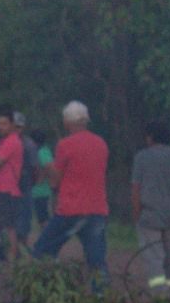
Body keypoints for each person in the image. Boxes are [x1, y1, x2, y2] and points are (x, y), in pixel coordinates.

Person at [32, 100, 110, 288]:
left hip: (71, 209)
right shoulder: (101, 143)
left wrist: (49, 168)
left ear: (67, 122)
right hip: (97, 208)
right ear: (86, 120)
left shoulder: (65, 145)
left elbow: (56, 180)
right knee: (97, 261)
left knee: (42, 250)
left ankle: (41, 290)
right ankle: (100, 298)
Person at [130, 119, 170, 290]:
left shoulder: (141, 158)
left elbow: (136, 190)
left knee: (154, 259)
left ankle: (159, 297)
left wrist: (137, 216)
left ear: (150, 138)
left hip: (149, 218)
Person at [0, 109, 24, 263]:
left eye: (4, 124)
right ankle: (5, 258)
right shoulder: (7, 141)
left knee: (8, 228)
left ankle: (11, 260)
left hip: (7, 191)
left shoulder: (11, 142)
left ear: (13, 125)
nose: (0, 127)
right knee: (1, 226)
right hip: (1, 190)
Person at [13, 112, 40, 247]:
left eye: (18, 127)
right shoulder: (4, 144)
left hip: (24, 186)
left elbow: (35, 169)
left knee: (24, 218)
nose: (16, 130)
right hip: (8, 187)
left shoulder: (29, 145)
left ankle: (22, 246)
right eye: (14, 126)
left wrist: (30, 183)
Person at [28, 129, 53, 227]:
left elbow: (48, 165)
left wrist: (40, 178)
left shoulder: (42, 152)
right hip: (37, 192)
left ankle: (49, 237)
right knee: (41, 218)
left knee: (43, 219)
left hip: (41, 192)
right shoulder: (39, 151)